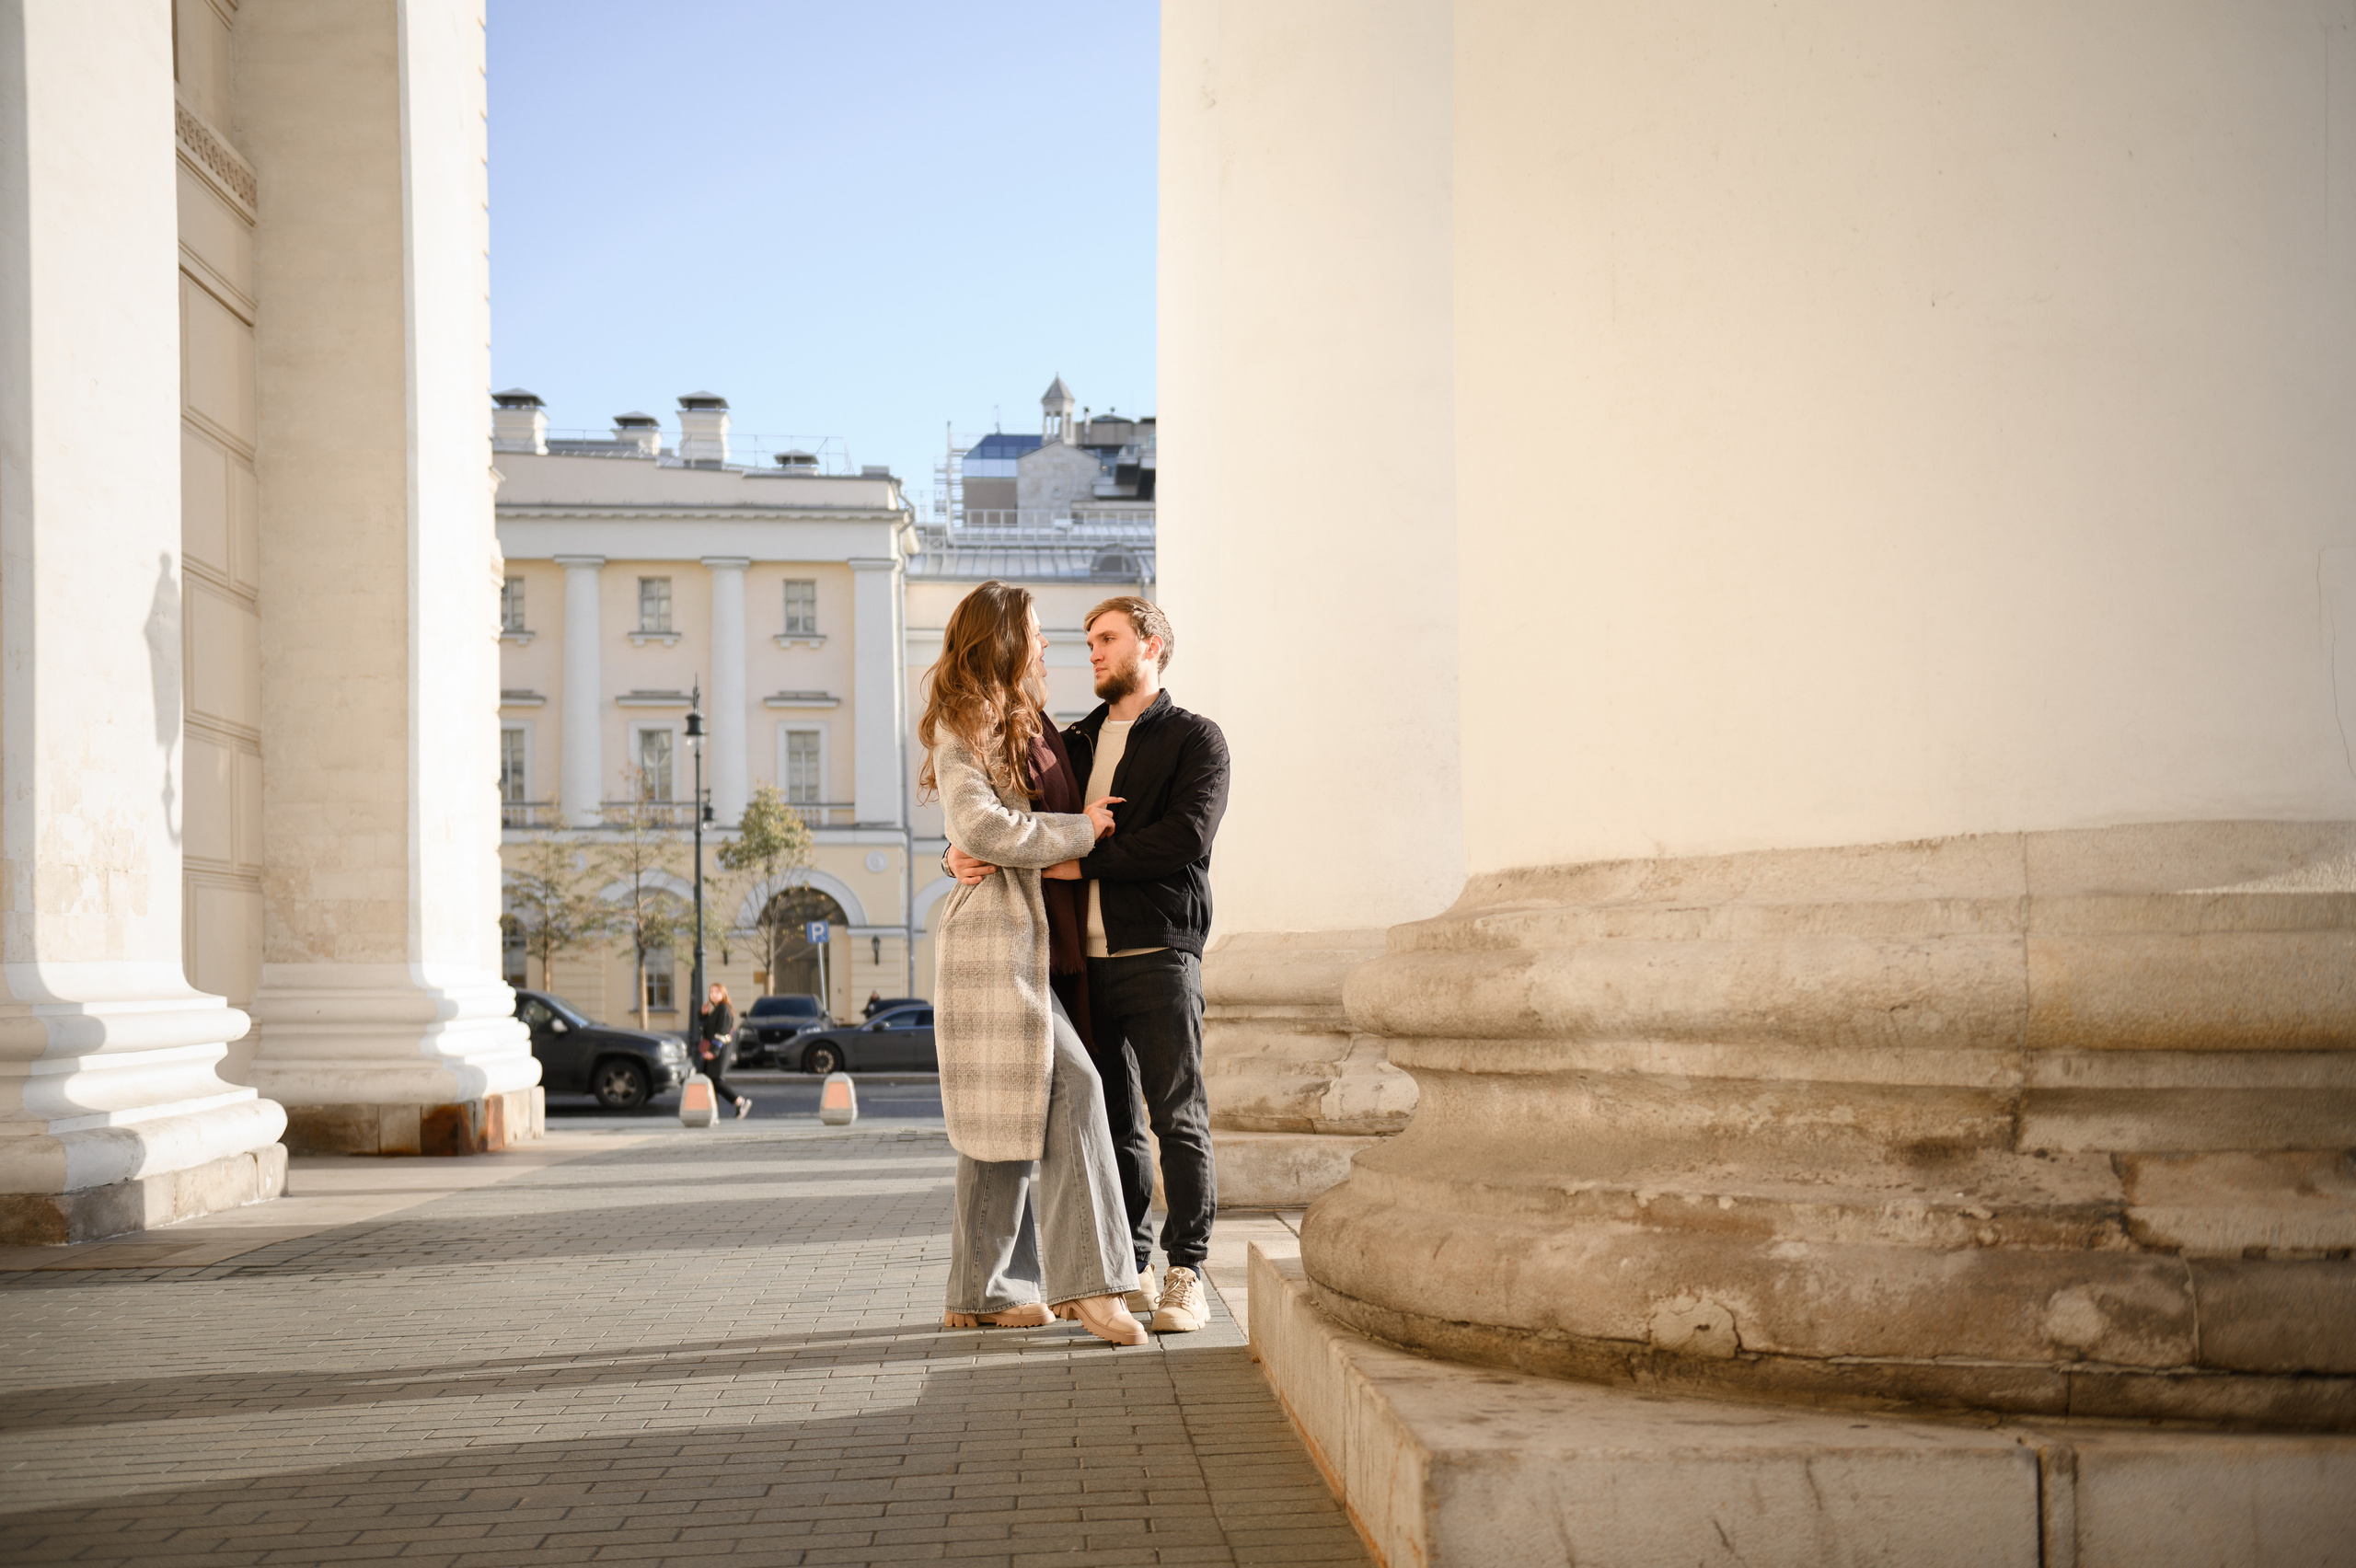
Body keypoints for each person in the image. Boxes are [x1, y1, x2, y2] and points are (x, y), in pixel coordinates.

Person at [948, 596, 1230, 1334]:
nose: (1092, 652)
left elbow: (1184, 838)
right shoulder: (1067, 742)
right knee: (1109, 1118)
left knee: (1177, 1117)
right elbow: (1011, 819)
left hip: (1159, 952)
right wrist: (954, 852)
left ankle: (1186, 1273)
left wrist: (1083, 863)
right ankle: (1128, 1264)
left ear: (1152, 644)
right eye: (1085, 640)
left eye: (1107, 638)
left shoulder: (1196, 738)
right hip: (1077, 964)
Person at [923, 580, 1146, 1344]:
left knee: (1008, 1110)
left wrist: (960, 850)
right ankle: (1095, 1284)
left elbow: (984, 832)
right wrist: (1079, 830)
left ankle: (982, 1290)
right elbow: (981, 826)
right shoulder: (964, 721)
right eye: (1038, 630)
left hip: (1039, 940)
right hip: (994, 946)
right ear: (1005, 639)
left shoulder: (1032, 722)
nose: (1048, 643)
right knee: (1074, 1088)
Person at [697, 982, 751, 1120]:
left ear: (723, 994)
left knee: (715, 1079)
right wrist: (703, 1016)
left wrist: (713, 1051)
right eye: (711, 992)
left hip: (720, 1050)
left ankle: (740, 1102)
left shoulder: (724, 1009)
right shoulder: (717, 1009)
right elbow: (707, 1031)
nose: (713, 995)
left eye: (717, 992)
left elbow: (721, 1032)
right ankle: (713, 1114)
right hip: (715, 1049)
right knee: (710, 1081)